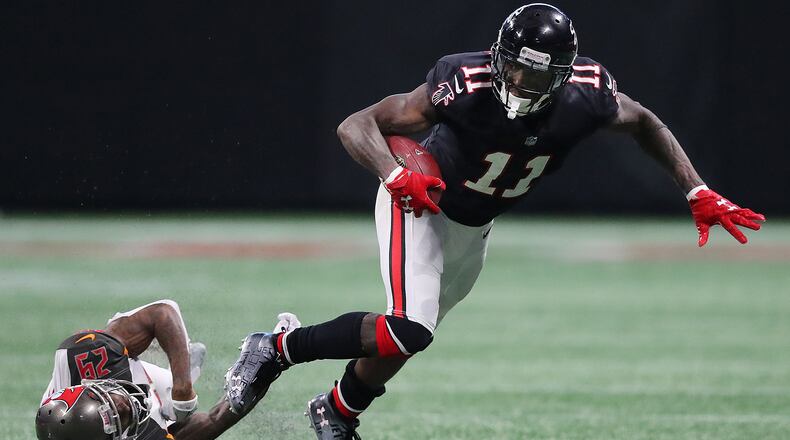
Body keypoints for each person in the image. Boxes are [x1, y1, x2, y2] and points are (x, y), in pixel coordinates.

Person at [223, 4, 766, 439]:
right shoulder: (463, 81)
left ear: (560, 75)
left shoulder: (588, 96)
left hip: (476, 227)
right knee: (411, 327)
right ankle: (276, 348)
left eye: (534, 71)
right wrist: (393, 173)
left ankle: (338, 411)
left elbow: (645, 122)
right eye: (513, 64)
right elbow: (356, 125)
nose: (519, 78)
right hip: (421, 207)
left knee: (406, 335)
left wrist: (693, 187)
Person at [35, 300, 301, 440]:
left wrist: (184, 388)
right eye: (119, 419)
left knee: (108, 337)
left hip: (122, 371)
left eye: (111, 404)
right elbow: (214, 420)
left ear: (88, 390)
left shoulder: (82, 356)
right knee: (177, 417)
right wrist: (271, 365)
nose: (125, 405)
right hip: (151, 410)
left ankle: (172, 363)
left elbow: (163, 312)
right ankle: (171, 382)